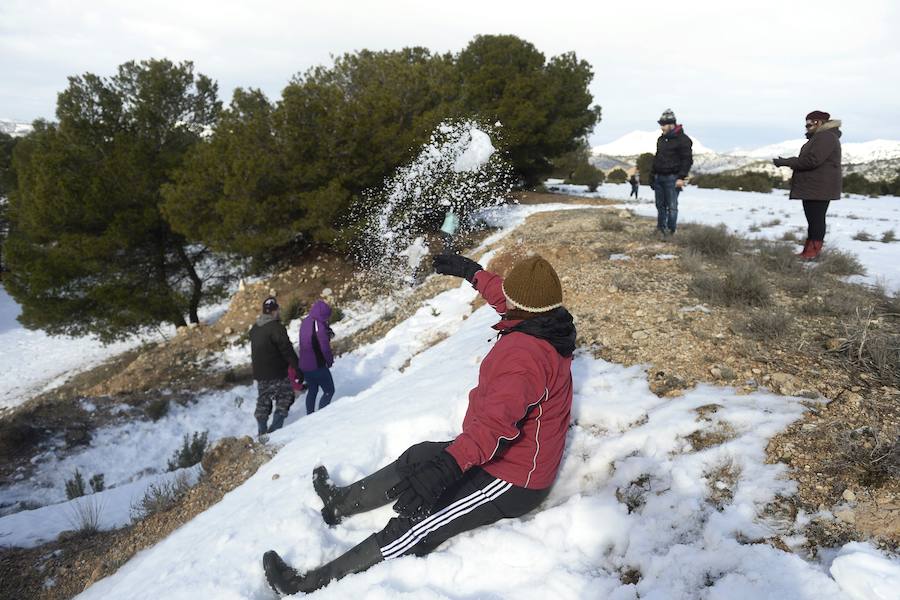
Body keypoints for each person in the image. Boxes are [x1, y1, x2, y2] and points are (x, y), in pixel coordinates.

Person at [263, 255, 577, 596]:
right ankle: (340, 503)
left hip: (512, 479)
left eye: (510, 297)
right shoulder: (544, 321)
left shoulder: (525, 355)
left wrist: (444, 470)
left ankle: (306, 586)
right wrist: (473, 274)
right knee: (417, 458)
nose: (504, 301)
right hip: (496, 453)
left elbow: (492, 429)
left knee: (415, 524)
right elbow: (508, 298)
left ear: (522, 306)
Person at [773, 110, 842, 260]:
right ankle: (809, 251)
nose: (808, 125)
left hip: (819, 188)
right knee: (813, 219)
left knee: (816, 219)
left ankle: (812, 252)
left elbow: (812, 160)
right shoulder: (820, 137)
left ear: (821, 123)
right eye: (807, 122)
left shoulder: (826, 137)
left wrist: (787, 162)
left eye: (812, 122)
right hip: (815, 187)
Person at [250, 297, 301, 436]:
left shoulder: (255, 329)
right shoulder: (276, 328)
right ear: (274, 311)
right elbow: (287, 350)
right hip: (277, 373)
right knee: (285, 398)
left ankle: (261, 432)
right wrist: (298, 368)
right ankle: (274, 431)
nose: (279, 312)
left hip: (260, 375)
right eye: (277, 310)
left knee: (263, 402)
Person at [650, 108, 693, 236]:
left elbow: (687, 160)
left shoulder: (683, 140)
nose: (661, 127)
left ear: (671, 124)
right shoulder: (661, 140)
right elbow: (657, 157)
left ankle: (670, 231)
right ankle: (660, 229)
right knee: (660, 206)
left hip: (673, 178)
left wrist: (681, 177)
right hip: (659, 177)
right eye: (661, 125)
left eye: (663, 125)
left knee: (672, 207)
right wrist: (652, 175)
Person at [298, 299, 335, 415]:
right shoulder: (320, 326)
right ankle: (321, 416)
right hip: (317, 365)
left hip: (304, 365)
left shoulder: (305, 321)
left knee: (312, 390)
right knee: (329, 390)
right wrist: (329, 361)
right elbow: (324, 348)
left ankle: (310, 415)